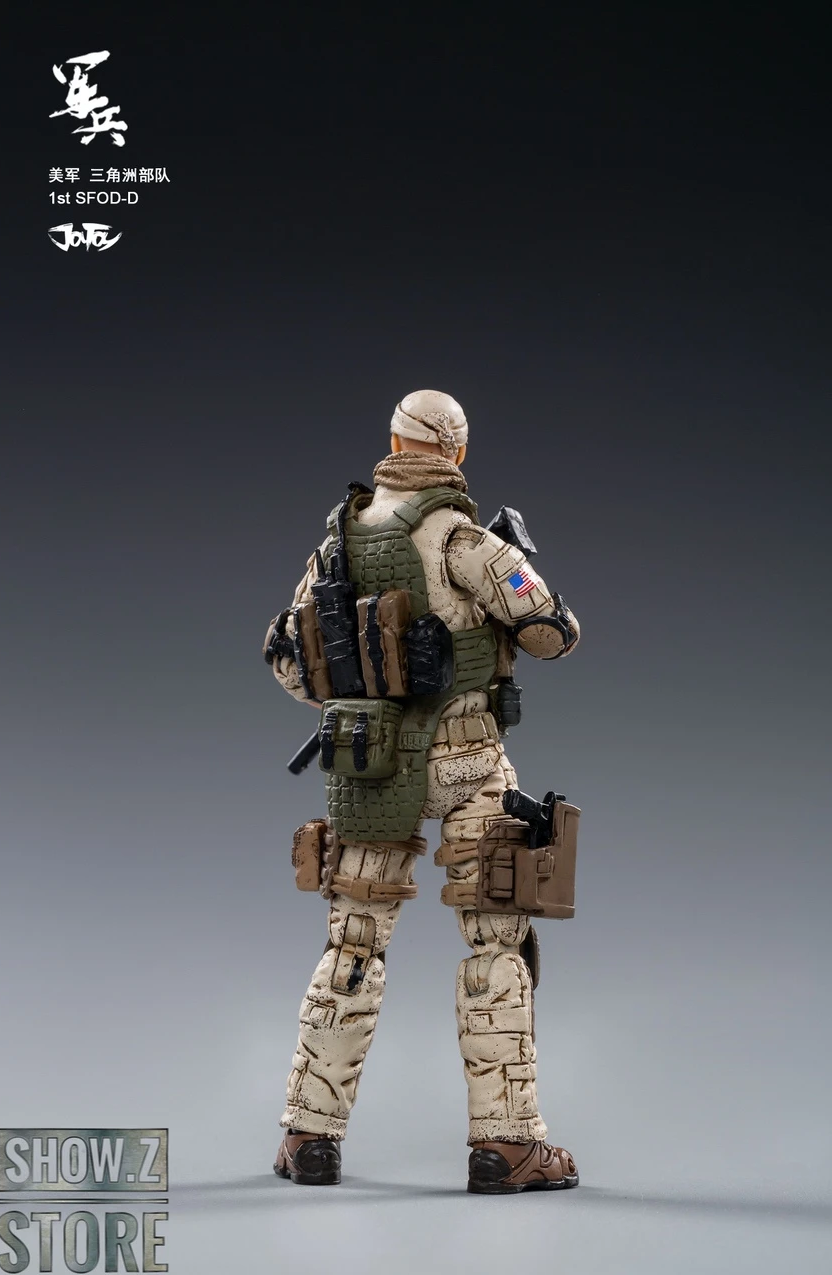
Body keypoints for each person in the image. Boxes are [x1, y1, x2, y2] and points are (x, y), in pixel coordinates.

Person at [264, 389, 581, 1194]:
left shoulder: (336, 542)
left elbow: (291, 663)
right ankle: (506, 1145)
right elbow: (554, 632)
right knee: (496, 943)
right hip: (470, 762)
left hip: (369, 764)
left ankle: (308, 1136)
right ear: (458, 455)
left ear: (393, 441)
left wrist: (369, 689)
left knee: (353, 946)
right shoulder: (466, 540)